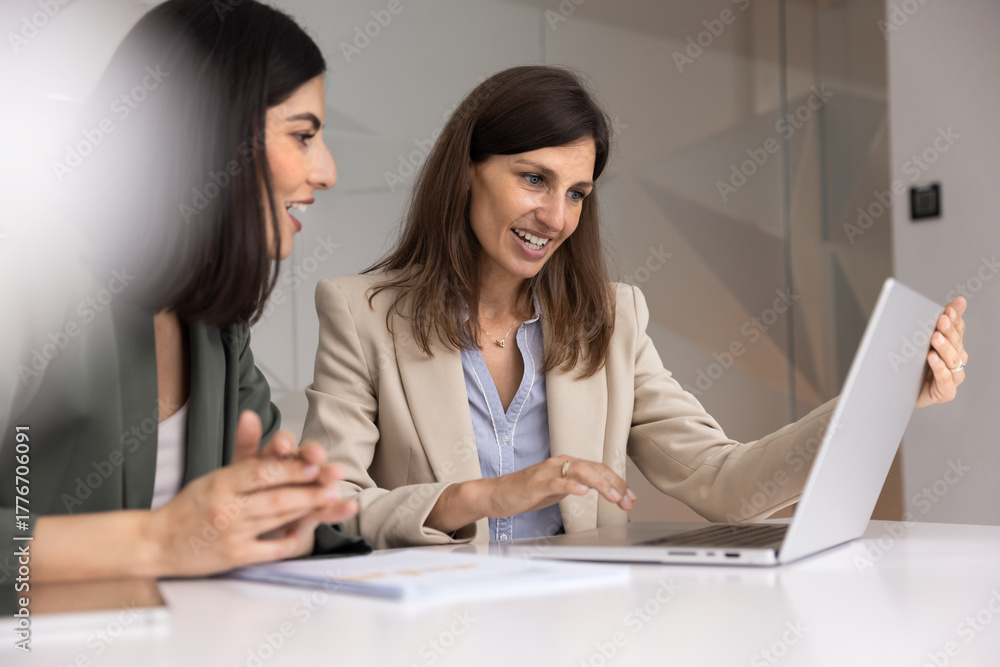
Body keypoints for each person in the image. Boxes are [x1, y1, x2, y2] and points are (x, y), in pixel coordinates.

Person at [301, 65, 968, 549]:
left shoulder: (612, 322)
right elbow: (328, 507)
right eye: (533, 179)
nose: (555, 217)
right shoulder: (360, 314)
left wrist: (884, 395)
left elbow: (724, 480)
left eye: (576, 193)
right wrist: (482, 497)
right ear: (466, 172)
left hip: (583, 626)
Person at [0, 0, 370, 589]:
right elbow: (170, 543)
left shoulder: (217, 325)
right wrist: (155, 541)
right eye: (302, 136)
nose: (326, 171)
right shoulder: (27, 274)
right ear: (210, 133)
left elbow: (258, 528)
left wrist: (282, 522)